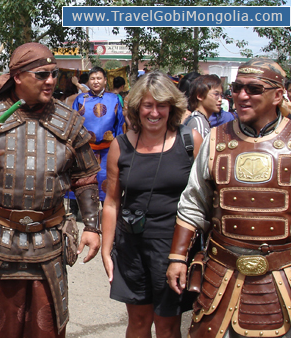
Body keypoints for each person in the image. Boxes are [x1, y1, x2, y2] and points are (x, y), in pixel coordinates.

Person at [0, 42, 101, 338]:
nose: (51, 81)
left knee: (44, 328)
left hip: (48, 242)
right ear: (17, 76)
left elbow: (86, 176)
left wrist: (93, 226)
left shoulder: (68, 121)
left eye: (54, 73)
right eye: (42, 74)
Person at [166, 58, 291, 338]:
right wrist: (177, 257)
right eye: (237, 87)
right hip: (221, 274)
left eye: (254, 89)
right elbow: (193, 203)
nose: (241, 95)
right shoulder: (215, 139)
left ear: (278, 95)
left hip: (285, 276)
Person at [101, 71, 202, 338]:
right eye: (148, 105)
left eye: (161, 105)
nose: (154, 112)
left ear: (172, 106)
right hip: (130, 246)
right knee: (137, 322)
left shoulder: (190, 142)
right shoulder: (121, 146)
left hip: (173, 248)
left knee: (167, 325)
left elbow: (204, 200)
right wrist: (106, 248)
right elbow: (111, 202)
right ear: (136, 108)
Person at [72, 66, 126, 203]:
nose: (96, 81)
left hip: (108, 150)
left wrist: (120, 149)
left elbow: (120, 125)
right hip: (85, 150)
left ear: (105, 81)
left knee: (107, 183)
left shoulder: (114, 99)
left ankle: (107, 214)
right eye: (92, 79)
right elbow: (73, 125)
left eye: (99, 78)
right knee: (84, 182)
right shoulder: (80, 99)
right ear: (88, 81)